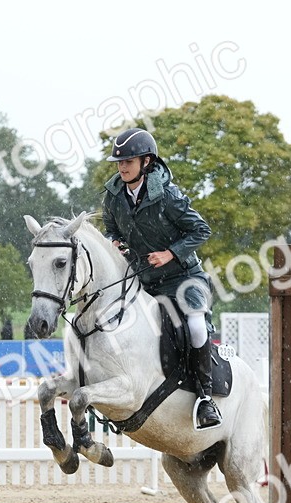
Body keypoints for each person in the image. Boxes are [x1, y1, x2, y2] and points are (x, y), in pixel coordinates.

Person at [101, 127, 219, 429]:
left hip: (183, 277)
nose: (122, 167)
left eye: (129, 161)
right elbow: (112, 230)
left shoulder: (168, 195)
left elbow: (200, 230)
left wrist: (170, 253)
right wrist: (115, 242)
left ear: (147, 162)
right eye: (120, 162)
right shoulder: (114, 196)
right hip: (145, 278)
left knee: (194, 326)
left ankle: (206, 398)